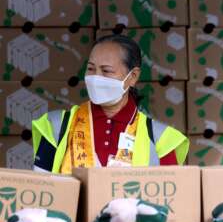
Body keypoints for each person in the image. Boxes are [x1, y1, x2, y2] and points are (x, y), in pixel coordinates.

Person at [32, 34, 189, 174]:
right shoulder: (57, 126)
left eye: (106, 71)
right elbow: (43, 191)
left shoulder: (160, 137)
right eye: (91, 69)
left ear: (133, 76)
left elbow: (170, 197)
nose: (96, 77)